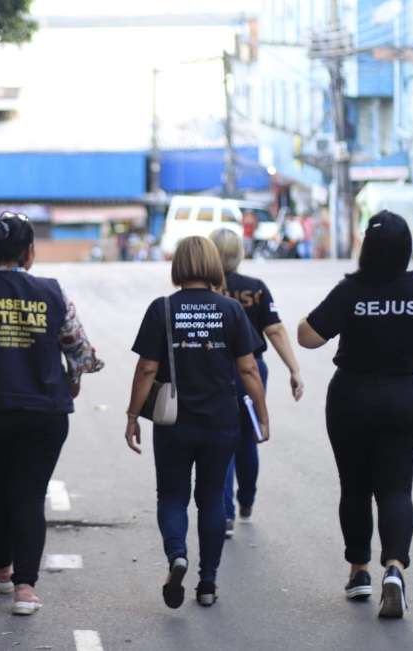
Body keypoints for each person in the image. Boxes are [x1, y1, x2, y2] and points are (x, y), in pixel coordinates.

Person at [0, 212, 104, 615]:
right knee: (29, 494)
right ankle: (25, 590)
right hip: (44, 413)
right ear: (30, 252)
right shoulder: (52, 292)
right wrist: (74, 381)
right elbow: (80, 350)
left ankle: (2, 567)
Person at [297, 210, 413, 618]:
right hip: (405, 399)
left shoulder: (352, 290)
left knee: (355, 487)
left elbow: (309, 338)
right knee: (397, 489)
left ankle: (359, 571)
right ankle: (395, 570)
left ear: (367, 248)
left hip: (352, 398)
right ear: (406, 249)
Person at [125, 235, 269, 609]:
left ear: (178, 267)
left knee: (172, 495)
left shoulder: (163, 309)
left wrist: (131, 415)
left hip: (174, 423)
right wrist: (262, 413)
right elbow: (249, 367)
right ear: (212, 266)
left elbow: (146, 368)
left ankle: (177, 556)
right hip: (222, 421)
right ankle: (207, 583)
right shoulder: (231, 309)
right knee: (210, 499)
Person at [209, 228, 303, 539]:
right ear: (239, 253)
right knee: (248, 437)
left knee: (220, 438)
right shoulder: (255, 289)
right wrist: (294, 369)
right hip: (253, 370)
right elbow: (275, 330)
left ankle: (225, 514)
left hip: (213, 370)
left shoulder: (206, 289)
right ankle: (246, 500)